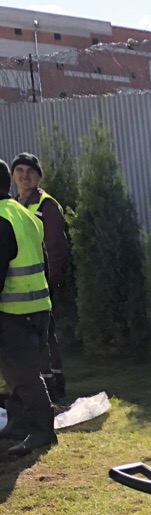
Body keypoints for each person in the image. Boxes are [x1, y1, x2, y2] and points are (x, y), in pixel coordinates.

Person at [0, 158, 57, 457]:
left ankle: (42, 430)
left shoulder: (1, 217)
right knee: (18, 372)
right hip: (37, 306)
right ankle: (20, 424)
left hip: (14, 311)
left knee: (23, 374)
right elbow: (43, 259)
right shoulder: (21, 212)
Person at [11, 152, 70, 403]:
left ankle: (53, 390)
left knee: (45, 339)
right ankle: (36, 390)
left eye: (31, 172)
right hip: (18, 291)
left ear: (38, 177)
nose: (25, 176)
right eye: (20, 170)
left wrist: (50, 284)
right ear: (13, 175)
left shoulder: (46, 205)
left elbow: (57, 249)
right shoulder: (13, 205)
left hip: (41, 287)